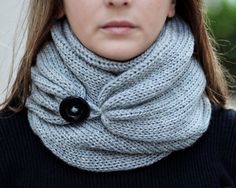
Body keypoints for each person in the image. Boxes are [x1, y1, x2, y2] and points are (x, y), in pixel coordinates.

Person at [0, 0, 235, 187]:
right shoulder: (6, 144)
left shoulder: (229, 143)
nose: (118, 1)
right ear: (59, 4)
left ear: (172, 3)